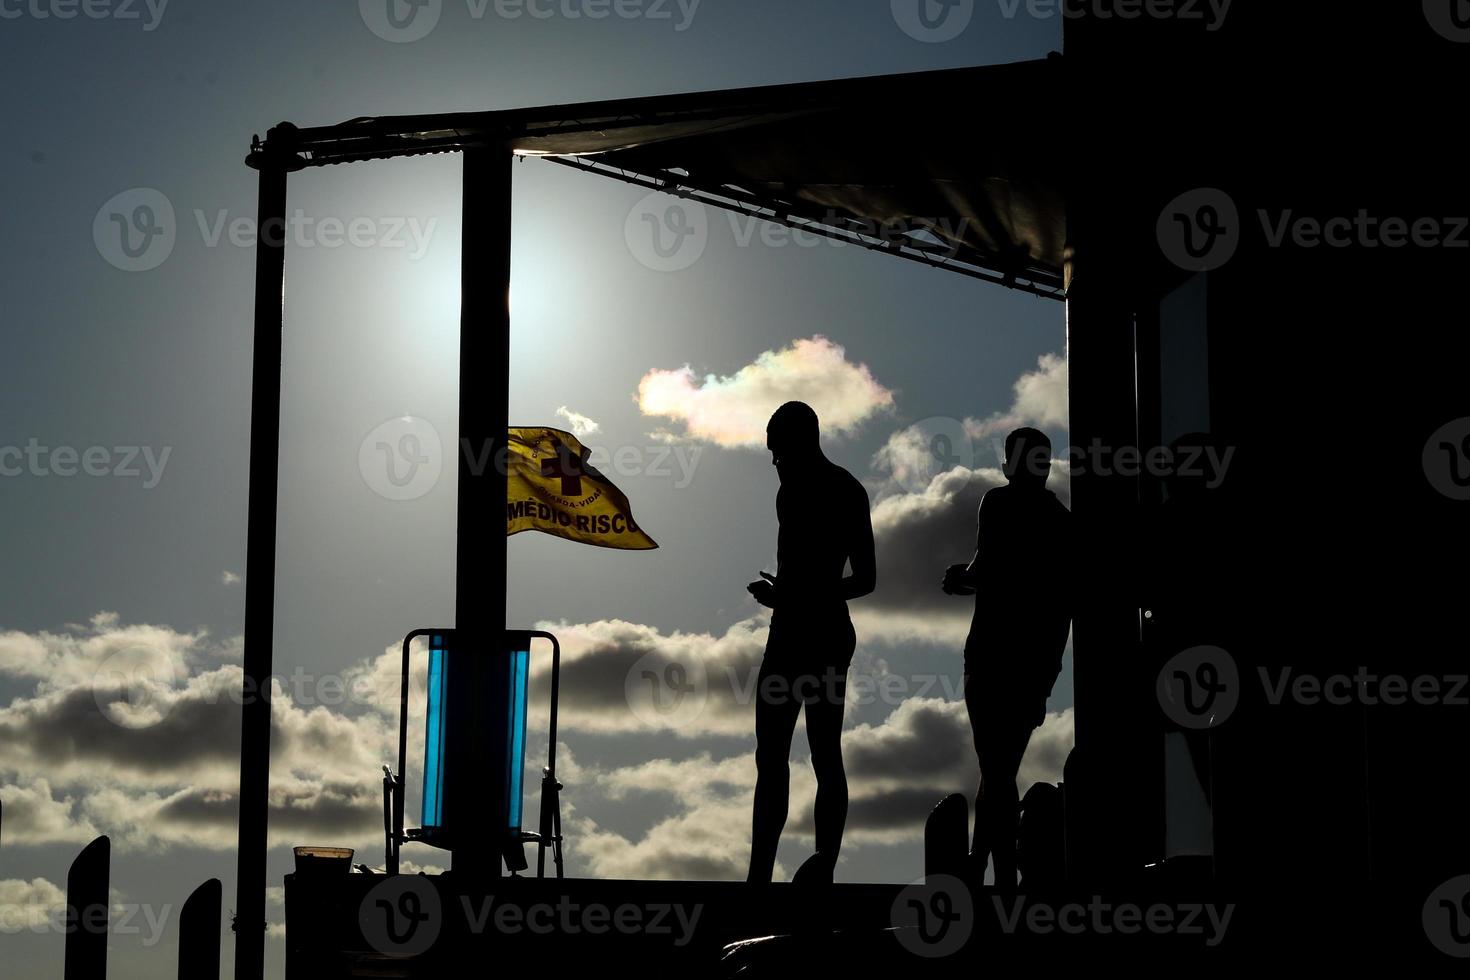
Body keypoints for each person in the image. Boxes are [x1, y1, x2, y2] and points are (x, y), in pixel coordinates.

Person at [746, 401, 876, 885]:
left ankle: (823, 868)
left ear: (803, 442)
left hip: (822, 635)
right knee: (772, 753)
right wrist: (787, 595)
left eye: (779, 453)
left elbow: (865, 579)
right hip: (789, 631)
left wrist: (795, 593)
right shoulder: (788, 490)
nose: (775, 463)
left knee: (824, 750)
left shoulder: (844, 490)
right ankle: (759, 875)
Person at [942, 427, 1070, 888]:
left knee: (995, 767)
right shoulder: (1061, 519)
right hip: (1033, 660)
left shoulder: (999, 503)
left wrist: (961, 577)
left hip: (996, 653)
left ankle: (987, 870)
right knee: (999, 766)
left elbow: (989, 566)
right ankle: (992, 870)